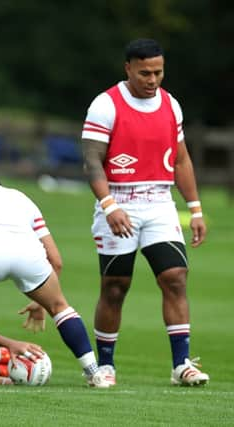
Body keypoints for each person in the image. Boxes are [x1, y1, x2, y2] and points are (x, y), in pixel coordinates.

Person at [80, 38, 209, 386]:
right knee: (115, 286)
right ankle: (105, 367)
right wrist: (109, 206)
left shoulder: (171, 105)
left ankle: (182, 365)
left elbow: (180, 159)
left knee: (175, 278)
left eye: (158, 72)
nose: (152, 80)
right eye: (145, 73)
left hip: (159, 202)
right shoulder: (106, 105)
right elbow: (92, 161)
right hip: (118, 201)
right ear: (128, 69)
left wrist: (195, 208)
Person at [0, 173, 112, 388]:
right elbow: (55, 260)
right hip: (29, 254)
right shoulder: (22, 198)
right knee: (61, 307)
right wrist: (40, 302)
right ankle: (94, 373)